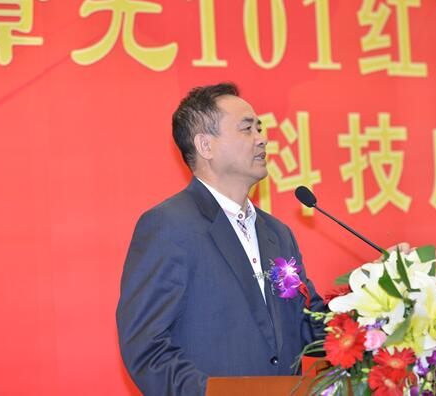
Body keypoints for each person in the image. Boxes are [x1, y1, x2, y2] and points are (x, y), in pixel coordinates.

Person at [117, 83, 326, 396]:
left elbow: (308, 324)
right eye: (247, 128)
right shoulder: (169, 226)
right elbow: (146, 347)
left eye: (260, 128)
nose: (262, 138)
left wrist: (379, 295)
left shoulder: (277, 234)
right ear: (206, 146)